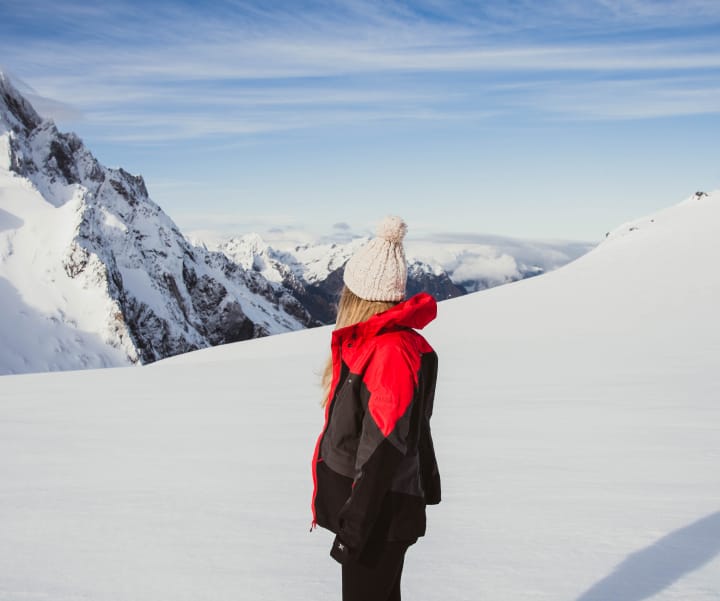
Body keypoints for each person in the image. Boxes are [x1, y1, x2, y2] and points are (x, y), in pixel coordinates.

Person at [310, 215, 441, 601]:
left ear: (358, 298)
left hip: (376, 519)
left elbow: (383, 448)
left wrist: (355, 528)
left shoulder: (389, 353)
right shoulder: (374, 345)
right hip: (373, 515)